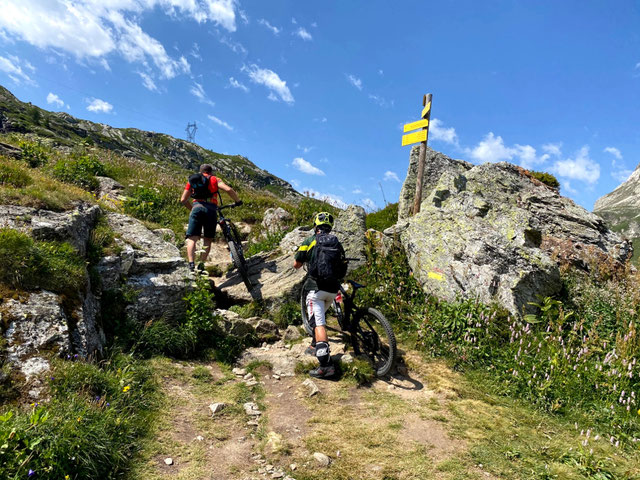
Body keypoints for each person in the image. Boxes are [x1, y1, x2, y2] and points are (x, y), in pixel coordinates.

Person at [294, 212, 347, 379]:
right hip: (332, 290)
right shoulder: (336, 242)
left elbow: (297, 264)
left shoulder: (310, 241)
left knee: (319, 324)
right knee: (319, 317)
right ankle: (314, 345)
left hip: (315, 290)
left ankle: (326, 366)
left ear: (315, 226)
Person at [180, 164, 241, 273]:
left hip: (196, 207)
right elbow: (228, 189)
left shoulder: (193, 180)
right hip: (211, 210)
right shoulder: (215, 179)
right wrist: (237, 201)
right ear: (211, 171)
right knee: (207, 239)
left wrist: (192, 209)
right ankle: (201, 265)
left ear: (200, 171)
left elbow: (183, 199)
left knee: (192, 238)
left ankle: (191, 264)